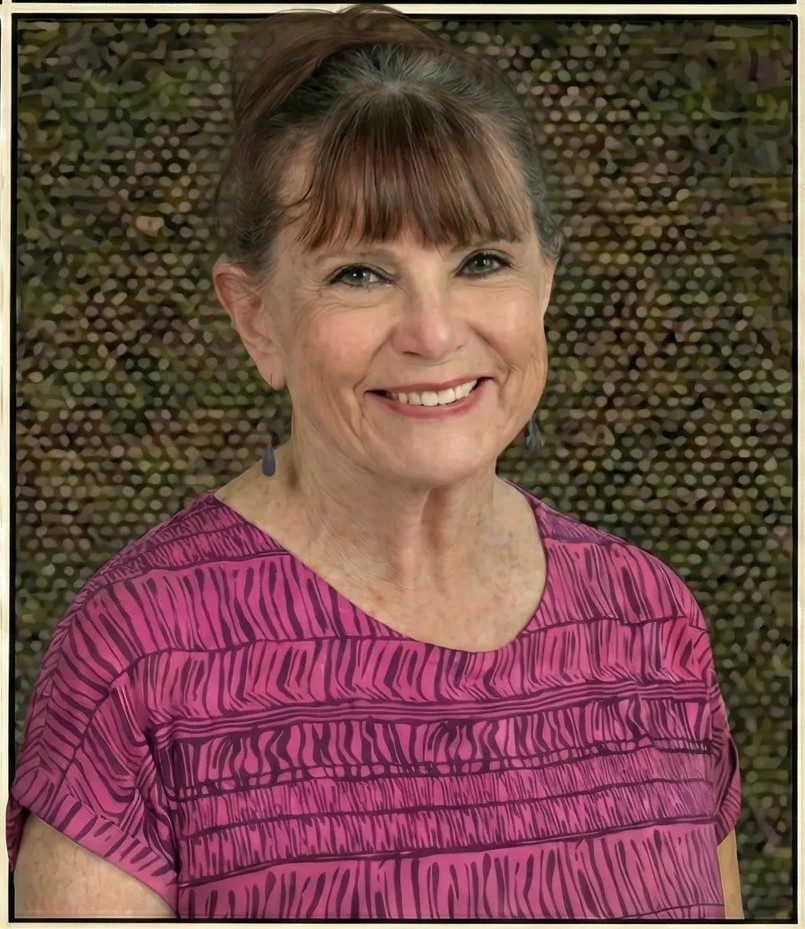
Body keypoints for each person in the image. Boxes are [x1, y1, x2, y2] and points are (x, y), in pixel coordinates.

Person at [7, 3, 743, 920]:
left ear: (544, 286)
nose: (434, 332)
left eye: (481, 260)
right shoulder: (140, 658)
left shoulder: (650, 624)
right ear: (257, 317)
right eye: (360, 273)